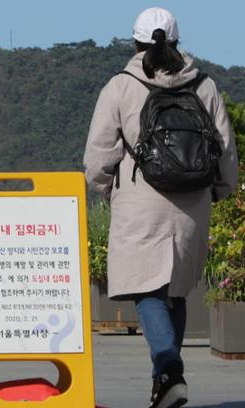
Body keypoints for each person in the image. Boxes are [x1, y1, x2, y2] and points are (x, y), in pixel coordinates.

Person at [83, 7, 238, 408]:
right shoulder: (204, 85)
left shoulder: (121, 85)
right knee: (177, 290)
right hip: (193, 201)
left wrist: (105, 188)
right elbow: (224, 147)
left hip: (140, 197)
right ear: (177, 40)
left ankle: (169, 369)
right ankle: (165, 382)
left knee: (146, 289)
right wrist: (222, 189)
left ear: (135, 42)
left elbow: (99, 153)